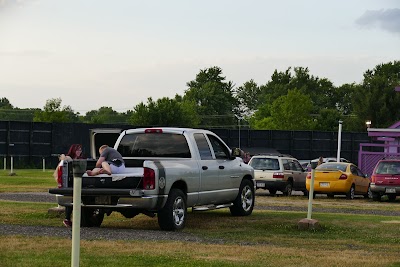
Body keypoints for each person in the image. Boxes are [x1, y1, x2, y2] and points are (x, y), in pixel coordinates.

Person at [54, 144, 84, 227]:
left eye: (80, 150)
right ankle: (67, 218)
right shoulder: (68, 159)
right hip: (70, 183)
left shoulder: (80, 159)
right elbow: (63, 163)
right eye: (77, 150)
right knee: (70, 200)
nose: (79, 151)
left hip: (77, 183)